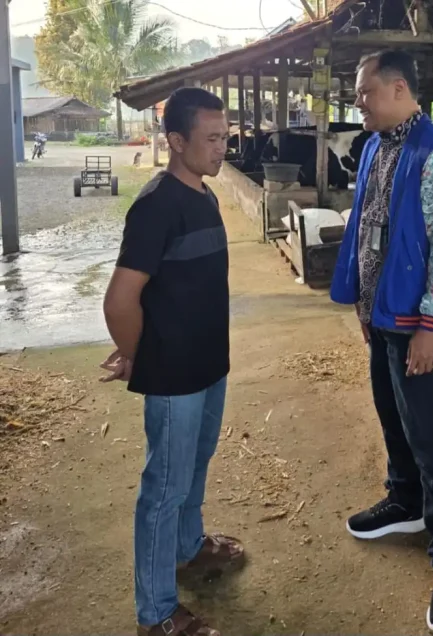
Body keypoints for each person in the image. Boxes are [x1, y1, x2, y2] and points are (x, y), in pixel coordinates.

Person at [330, 50, 433, 636]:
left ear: (397, 89)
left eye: (364, 91)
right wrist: (362, 301)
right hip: (381, 313)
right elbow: (366, 224)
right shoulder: (374, 146)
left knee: (428, 437)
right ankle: (405, 500)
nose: (357, 101)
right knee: (391, 416)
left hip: (417, 324)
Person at [101, 87, 244, 636]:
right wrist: (138, 355)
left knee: (196, 464)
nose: (222, 148)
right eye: (211, 139)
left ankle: (188, 547)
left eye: (225, 136)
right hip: (174, 376)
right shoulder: (156, 205)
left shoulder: (204, 196)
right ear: (177, 141)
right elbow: (120, 300)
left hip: (209, 365)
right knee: (164, 488)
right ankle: (156, 613)